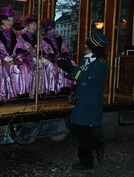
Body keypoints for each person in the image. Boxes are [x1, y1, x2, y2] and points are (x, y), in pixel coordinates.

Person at [57, 32, 109, 170]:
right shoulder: (86, 59)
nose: (85, 46)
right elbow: (78, 74)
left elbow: (85, 77)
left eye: (89, 45)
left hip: (90, 103)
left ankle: (86, 162)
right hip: (82, 101)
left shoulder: (101, 65)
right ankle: (97, 144)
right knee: (75, 128)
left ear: (94, 48)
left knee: (84, 134)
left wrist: (69, 68)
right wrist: (68, 69)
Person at [0, 5, 29, 100]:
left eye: (12, 20)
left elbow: (20, 46)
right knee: (11, 67)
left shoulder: (15, 33)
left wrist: (19, 56)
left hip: (13, 58)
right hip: (1, 60)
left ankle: (21, 92)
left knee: (23, 66)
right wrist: (3, 57)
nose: (11, 22)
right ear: (3, 20)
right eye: (8, 20)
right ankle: (11, 94)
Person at [39, 18, 74, 95]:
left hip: (60, 58)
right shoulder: (42, 39)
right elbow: (45, 52)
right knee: (55, 67)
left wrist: (65, 55)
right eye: (50, 29)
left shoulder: (60, 37)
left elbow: (64, 48)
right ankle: (52, 89)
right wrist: (54, 58)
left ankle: (66, 88)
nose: (52, 30)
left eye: (53, 28)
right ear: (45, 30)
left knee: (70, 65)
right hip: (49, 59)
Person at [20, 14, 48, 97]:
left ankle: (37, 92)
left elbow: (40, 49)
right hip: (24, 58)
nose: (35, 27)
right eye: (33, 24)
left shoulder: (35, 37)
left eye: (36, 25)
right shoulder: (21, 35)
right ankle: (27, 92)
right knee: (31, 69)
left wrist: (38, 53)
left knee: (42, 66)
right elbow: (19, 48)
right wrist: (29, 54)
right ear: (27, 24)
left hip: (34, 58)